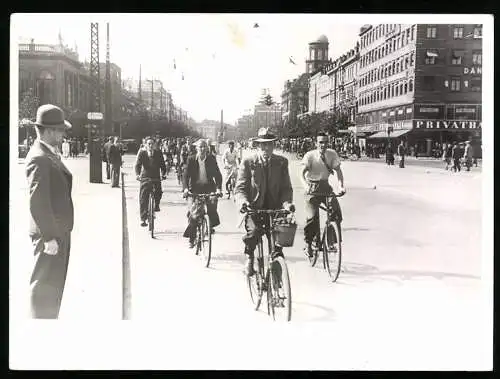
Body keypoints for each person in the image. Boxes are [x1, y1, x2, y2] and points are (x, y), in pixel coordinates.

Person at [25, 104, 74, 319]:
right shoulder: (40, 158)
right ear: (48, 131)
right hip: (51, 235)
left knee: (53, 287)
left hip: (58, 232)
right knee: (44, 285)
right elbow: (38, 202)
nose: (63, 135)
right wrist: (50, 237)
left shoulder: (47, 154)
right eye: (60, 130)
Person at [234, 128, 295, 276]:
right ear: (257, 146)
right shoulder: (248, 162)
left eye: (269, 144)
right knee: (254, 232)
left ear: (274, 145)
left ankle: (277, 280)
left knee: (277, 247)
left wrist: (287, 204)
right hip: (254, 209)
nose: (266, 148)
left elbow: (286, 188)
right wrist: (243, 202)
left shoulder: (281, 162)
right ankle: (249, 257)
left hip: (275, 210)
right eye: (262, 145)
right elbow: (240, 188)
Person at [301, 133, 345, 258]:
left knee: (336, 212)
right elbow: (301, 173)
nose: (323, 145)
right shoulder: (310, 156)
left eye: (325, 142)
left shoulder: (332, 154)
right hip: (312, 188)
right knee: (312, 218)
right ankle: (308, 244)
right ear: (316, 143)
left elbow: (339, 172)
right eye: (320, 142)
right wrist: (305, 185)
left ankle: (330, 241)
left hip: (325, 187)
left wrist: (341, 186)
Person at [182, 139, 223, 248]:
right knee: (194, 213)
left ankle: (209, 225)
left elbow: (218, 175)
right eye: (200, 147)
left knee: (213, 204)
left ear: (207, 148)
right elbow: (185, 176)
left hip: (209, 187)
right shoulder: (191, 159)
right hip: (195, 188)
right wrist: (186, 189)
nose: (203, 149)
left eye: (204, 146)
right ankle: (191, 238)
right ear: (196, 148)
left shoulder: (211, 159)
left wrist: (218, 189)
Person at [135, 137, 167, 227]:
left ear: (154, 145)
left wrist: (163, 174)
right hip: (145, 177)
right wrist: (137, 175)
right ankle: (143, 218)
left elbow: (163, 165)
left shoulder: (158, 153)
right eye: (148, 144)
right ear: (145, 145)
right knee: (143, 198)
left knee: (159, 192)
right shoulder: (142, 153)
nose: (150, 145)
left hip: (156, 177)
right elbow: (138, 165)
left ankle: (156, 205)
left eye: (152, 144)